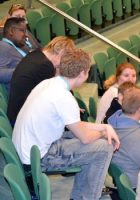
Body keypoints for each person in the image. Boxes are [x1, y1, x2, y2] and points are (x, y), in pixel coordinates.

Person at [12, 49, 120, 200]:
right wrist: (103, 133)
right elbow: (85, 138)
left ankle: (80, 195)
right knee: (104, 147)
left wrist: (104, 127)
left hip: (28, 149)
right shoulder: (63, 97)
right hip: (38, 157)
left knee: (97, 143)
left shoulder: (49, 83)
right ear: (83, 73)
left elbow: (76, 125)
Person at [7, 36, 75, 126]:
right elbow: (56, 96)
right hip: (21, 120)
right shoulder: (45, 66)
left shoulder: (37, 54)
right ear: (61, 53)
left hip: (16, 112)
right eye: (66, 58)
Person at [0, 17, 27, 91]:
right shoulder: (3, 47)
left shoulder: (15, 46)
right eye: (22, 31)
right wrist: (27, 69)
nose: (25, 35)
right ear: (11, 31)